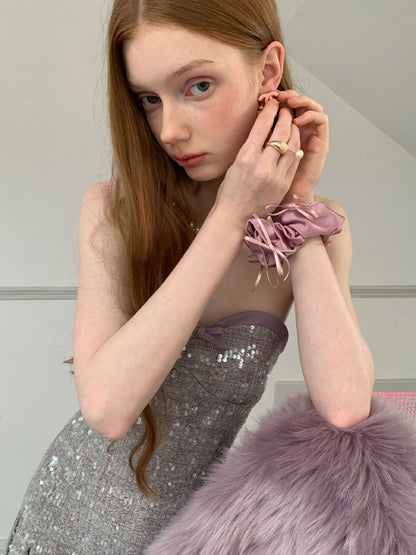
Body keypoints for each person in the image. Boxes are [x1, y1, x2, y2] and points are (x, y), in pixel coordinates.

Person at [6, 0, 375, 553]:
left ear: (268, 71)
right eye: (149, 99)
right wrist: (232, 214)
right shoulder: (113, 211)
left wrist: (295, 208)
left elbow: (345, 408)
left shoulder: (316, 228)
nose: (169, 130)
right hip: (70, 523)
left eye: (198, 86)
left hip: (192, 536)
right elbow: (106, 409)